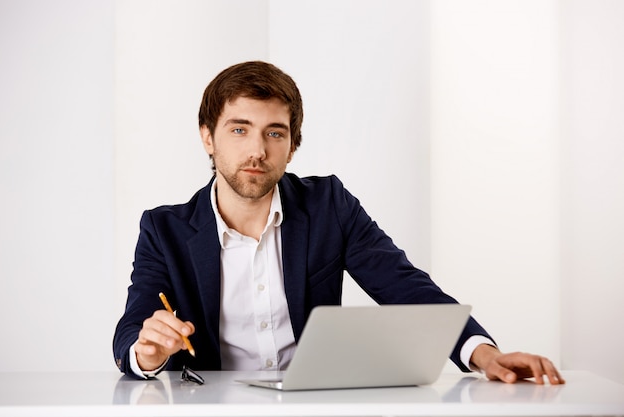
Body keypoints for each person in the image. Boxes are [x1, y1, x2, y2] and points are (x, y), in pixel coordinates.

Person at [113, 61, 564, 385]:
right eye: (238, 129)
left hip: (316, 404)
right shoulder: (163, 229)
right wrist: (147, 352)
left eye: (275, 133)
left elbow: (406, 288)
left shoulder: (328, 205)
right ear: (207, 137)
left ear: (292, 147)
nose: (257, 150)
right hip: (210, 407)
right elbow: (132, 330)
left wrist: (484, 355)